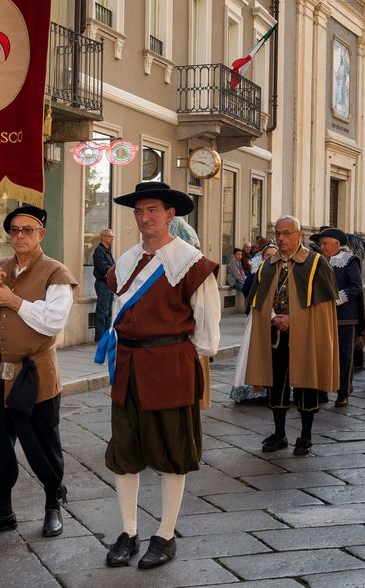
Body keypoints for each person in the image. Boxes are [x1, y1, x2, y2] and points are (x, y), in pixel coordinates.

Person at [100, 182, 220, 570]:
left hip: (170, 365)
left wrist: (185, 366)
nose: (145, 217)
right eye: (139, 211)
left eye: (152, 210)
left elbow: (207, 332)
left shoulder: (192, 263)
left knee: (172, 453)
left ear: (171, 215)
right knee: (124, 452)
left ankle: (165, 536)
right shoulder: (126, 259)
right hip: (128, 366)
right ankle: (129, 531)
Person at [0, 205, 77, 539]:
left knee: (42, 445)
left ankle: (52, 505)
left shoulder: (55, 273)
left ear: (41, 234)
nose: (20, 236)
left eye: (27, 230)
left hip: (33, 376)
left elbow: (54, 320)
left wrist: (12, 300)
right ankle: (3, 511)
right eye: (14, 230)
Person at [240, 215, 339, 456]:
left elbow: (323, 308)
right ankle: (279, 433)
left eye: (286, 233)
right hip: (275, 334)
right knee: (277, 385)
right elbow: (258, 300)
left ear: (299, 235)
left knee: (307, 383)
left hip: (307, 334)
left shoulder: (316, 263)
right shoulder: (268, 264)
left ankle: (305, 436)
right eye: (278, 234)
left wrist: (294, 320)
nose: (281, 238)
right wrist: (274, 316)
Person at [315, 228, 363, 407]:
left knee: (344, 356)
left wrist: (334, 299)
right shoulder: (317, 260)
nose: (322, 247)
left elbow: (356, 287)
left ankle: (343, 393)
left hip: (345, 317)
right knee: (322, 355)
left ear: (336, 244)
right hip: (321, 316)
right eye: (320, 244)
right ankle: (321, 390)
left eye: (325, 243)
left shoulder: (349, 261)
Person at [230, 242, 276, 403]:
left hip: (279, 319)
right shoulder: (257, 273)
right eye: (267, 256)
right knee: (254, 351)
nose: (271, 259)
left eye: (273, 255)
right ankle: (253, 389)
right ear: (262, 258)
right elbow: (247, 291)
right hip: (258, 317)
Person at [92, 228, 116, 342]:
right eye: (110, 236)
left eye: (112, 237)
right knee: (102, 312)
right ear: (103, 237)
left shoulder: (108, 251)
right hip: (103, 284)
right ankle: (99, 338)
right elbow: (104, 268)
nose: (112, 239)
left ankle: (106, 337)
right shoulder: (99, 251)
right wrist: (112, 271)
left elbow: (112, 267)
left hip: (109, 285)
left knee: (108, 313)